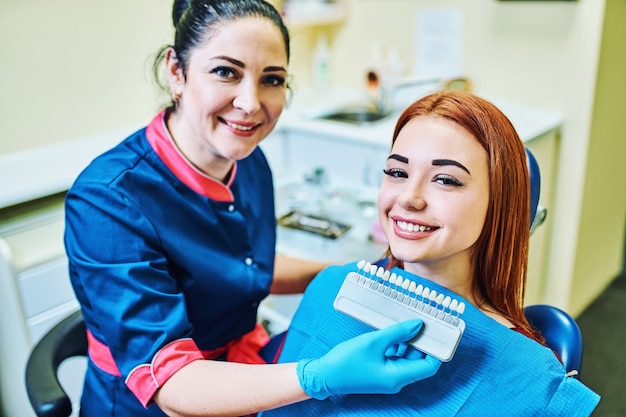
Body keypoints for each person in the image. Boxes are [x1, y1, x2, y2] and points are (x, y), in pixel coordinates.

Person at [64, 1, 443, 416]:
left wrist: (358, 275)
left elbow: (244, 268)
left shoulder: (247, 160)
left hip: (243, 363)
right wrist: (319, 376)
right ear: (176, 71)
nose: (250, 103)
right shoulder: (109, 200)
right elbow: (173, 385)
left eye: (272, 79)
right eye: (226, 71)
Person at [260, 91, 601, 416]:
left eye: (446, 180)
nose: (409, 197)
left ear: (499, 202)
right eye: (397, 172)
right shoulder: (330, 288)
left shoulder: (527, 376)